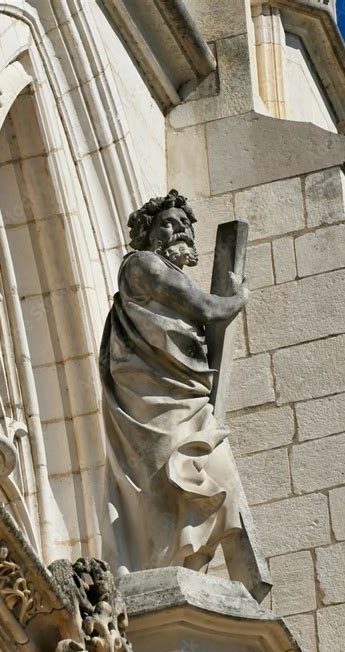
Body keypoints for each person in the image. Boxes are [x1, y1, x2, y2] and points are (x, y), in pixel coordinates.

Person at [100, 189, 248, 575]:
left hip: (185, 392)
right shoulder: (143, 265)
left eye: (184, 225)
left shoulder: (166, 275)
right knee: (164, 471)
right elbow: (204, 306)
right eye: (169, 223)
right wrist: (236, 298)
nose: (179, 230)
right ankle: (158, 562)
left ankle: (187, 558)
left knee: (202, 472)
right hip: (152, 398)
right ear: (149, 233)